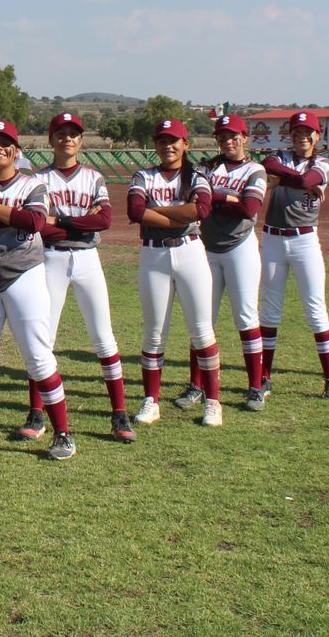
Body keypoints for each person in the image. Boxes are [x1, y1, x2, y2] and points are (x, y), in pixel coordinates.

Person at [0, 119, 76, 461]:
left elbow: (35, 222)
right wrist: (12, 215)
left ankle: (63, 433)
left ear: (16, 149)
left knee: (39, 357)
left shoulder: (33, 184)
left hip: (25, 275)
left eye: (5, 142)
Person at [30, 112, 135, 443]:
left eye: (73, 134)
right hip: (50, 259)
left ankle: (119, 413)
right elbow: (38, 225)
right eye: (60, 134)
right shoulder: (37, 179)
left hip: (88, 259)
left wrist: (58, 218)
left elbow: (103, 220)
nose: (67, 139)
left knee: (104, 338)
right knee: (42, 341)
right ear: (51, 140)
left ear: (81, 140)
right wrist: (75, 218)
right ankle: (36, 411)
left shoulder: (94, 178)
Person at [127, 118, 221, 427]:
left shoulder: (197, 174)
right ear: (155, 145)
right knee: (154, 332)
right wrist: (180, 212)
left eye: (174, 140)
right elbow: (135, 211)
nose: (168, 146)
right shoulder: (144, 174)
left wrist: (157, 214)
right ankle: (151, 400)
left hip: (190, 250)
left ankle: (212, 402)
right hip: (154, 254)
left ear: (186, 144)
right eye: (162, 140)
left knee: (202, 331)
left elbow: (202, 210)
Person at [258, 111, 329, 401]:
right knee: (270, 310)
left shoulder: (325, 162)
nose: (302, 137)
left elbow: (311, 180)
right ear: (290, 135)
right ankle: (264, 377)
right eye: (297, 132)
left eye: (308, 132)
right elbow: (267, 164)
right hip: (272, 238)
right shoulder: (279, 156)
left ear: (317, 136)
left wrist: (283, 180)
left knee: (316, 309)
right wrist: (295, 178)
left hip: (305, 240)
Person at [200, 114, 268, 412]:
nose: (228, 141)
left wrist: (215, 198)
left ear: (245, 138)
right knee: (202, 320)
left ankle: (255, 387)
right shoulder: (207, 167)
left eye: (234, 136)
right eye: (222, 137)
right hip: (206, 248)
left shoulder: (256, 170)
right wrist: (228, 197)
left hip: (240, 247)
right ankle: (196, 385)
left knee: (246, 317)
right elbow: (195, 199)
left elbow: (248, 208)